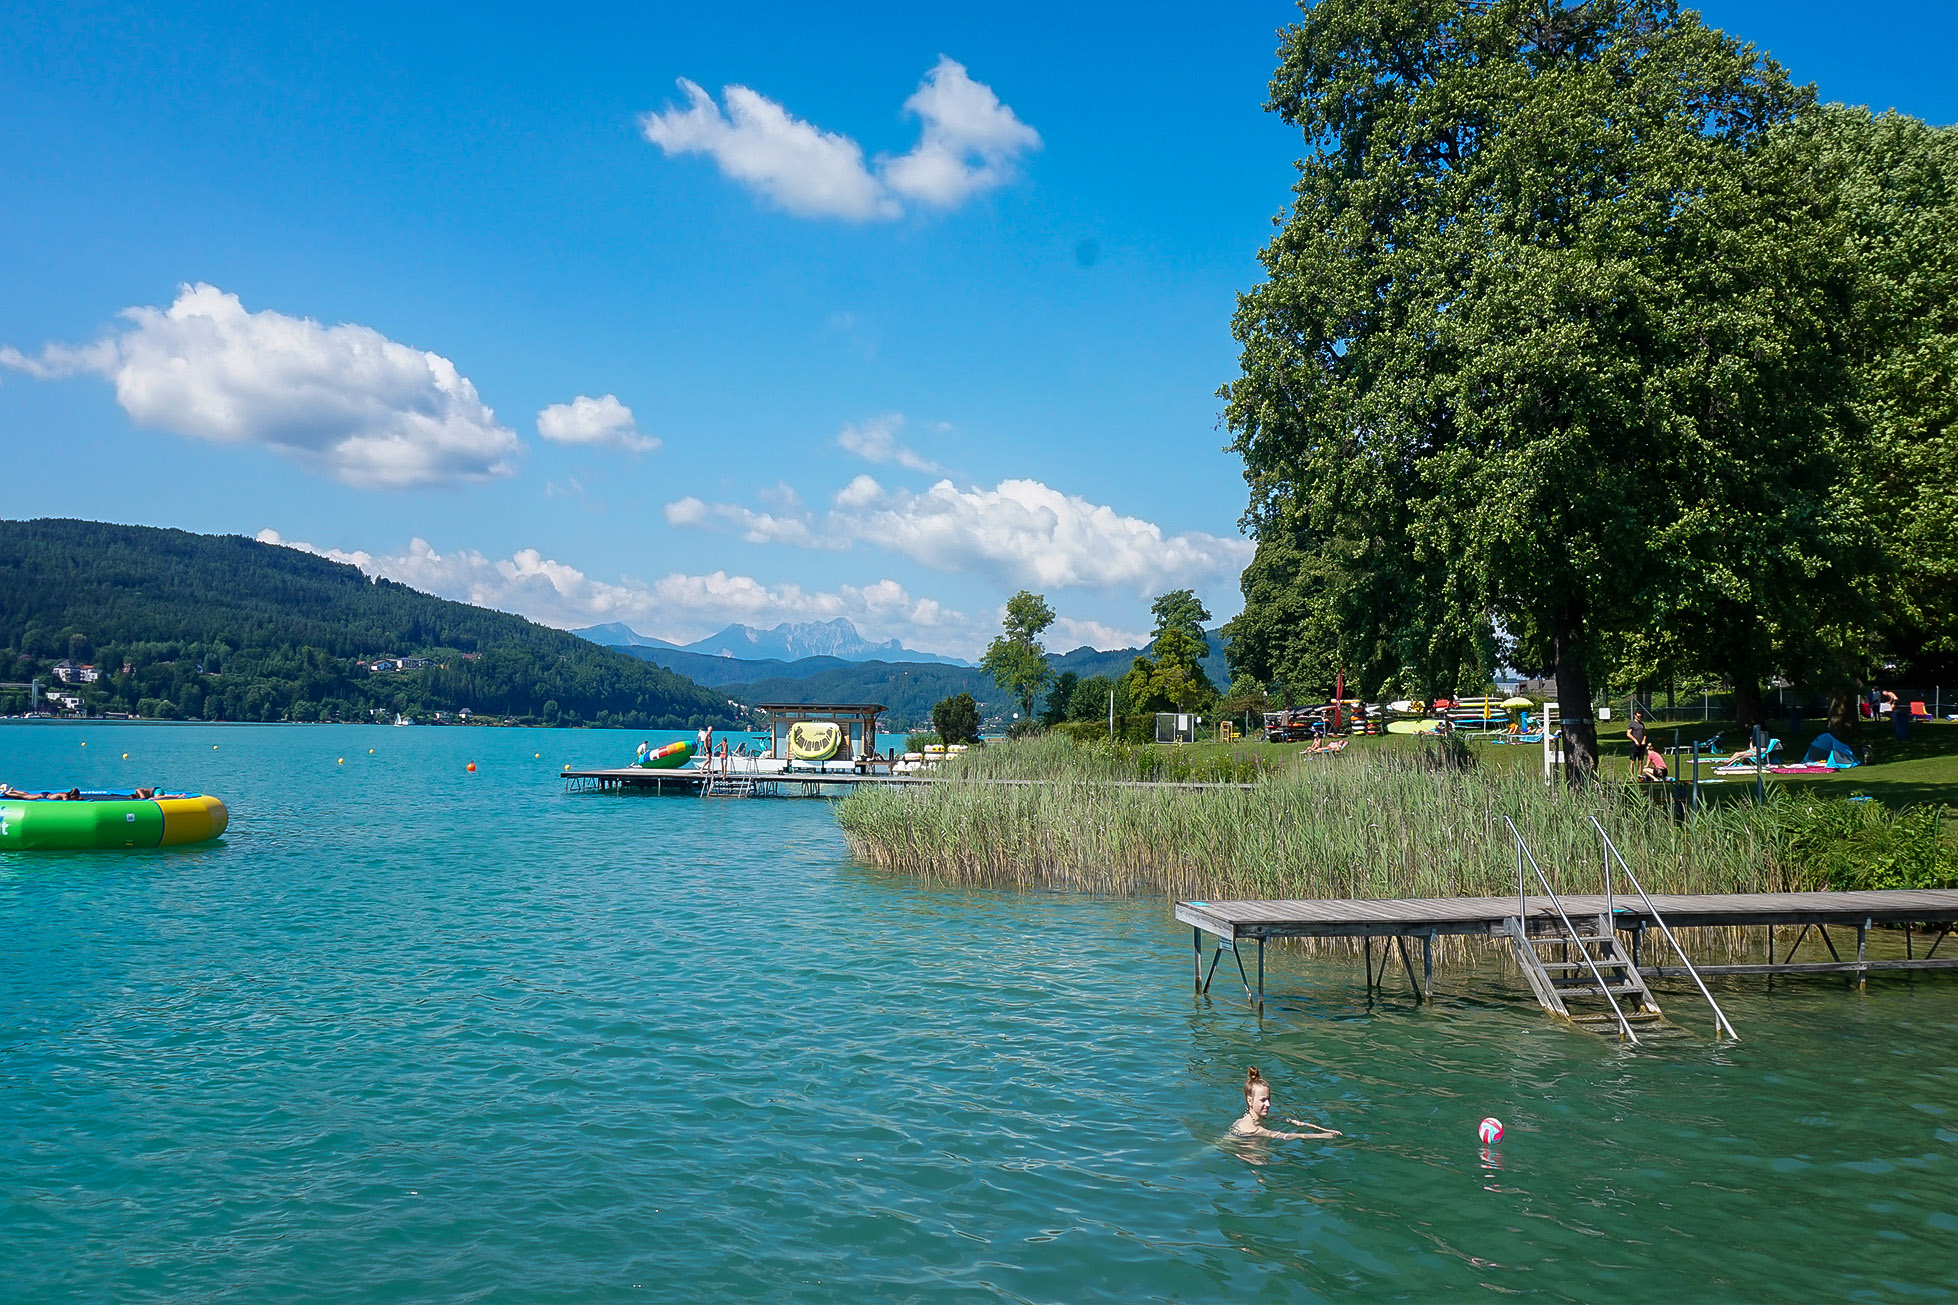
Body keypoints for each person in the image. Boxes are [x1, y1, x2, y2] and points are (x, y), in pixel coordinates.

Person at [1231, 1067, 1341, 1141]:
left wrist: (1324, 1129)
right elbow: (1286, 1136)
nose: (1268, 1104)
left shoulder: (1258, 1117)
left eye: (1269, 1099)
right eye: (1263, 1100)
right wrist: (1321, 1136)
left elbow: (1291, 1121)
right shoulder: (1252, 1128)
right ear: (1250, 1101)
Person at [1627, 710, 1648, 776]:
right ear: (1635, 715)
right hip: (1634, 744)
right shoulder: (1632, 724)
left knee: (1641, 761)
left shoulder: (1642, 724)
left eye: (1640, 716)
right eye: (1638, 716)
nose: (1639, 717)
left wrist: (1644, 740)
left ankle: (1639, 775)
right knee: (1633, 761)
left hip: (1641, 744)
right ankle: (1631, 776)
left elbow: (1644, 734)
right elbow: (1628, 734)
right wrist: (1635, 740)